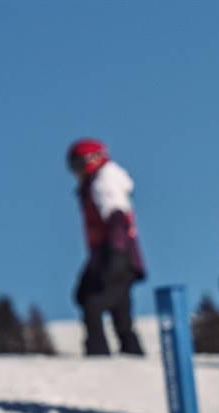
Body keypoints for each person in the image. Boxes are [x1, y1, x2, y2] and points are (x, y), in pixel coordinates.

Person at [67, 138, 145, 357]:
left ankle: (99, 356)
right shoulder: (94, 184)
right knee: (117, 310)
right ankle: (130, 354)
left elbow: (117, 218)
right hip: (108, 255)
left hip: (117, 255)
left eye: (78, 165)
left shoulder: (105, 182)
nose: (76, 172)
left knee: (93, 305)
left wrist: (116, 255)